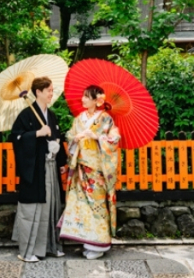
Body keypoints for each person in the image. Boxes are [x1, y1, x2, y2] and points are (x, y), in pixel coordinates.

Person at [59, 85, 120, 260]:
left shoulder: (106, 119)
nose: (83, 100)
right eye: (83, 96)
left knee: (97, 207)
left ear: (96, 100)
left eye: (86, 97)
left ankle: (99, 244)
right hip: (81, 169)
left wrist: (98, 137)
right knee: (83, 206)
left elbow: (114, 139)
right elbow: (70, 136)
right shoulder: (79, 119)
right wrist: (75, 138)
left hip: (97, 171)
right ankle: (88, 242)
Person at [10, 76, 67, 262]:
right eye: (49, 90)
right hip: (34, 169)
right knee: (33, 209)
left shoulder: (51, 116)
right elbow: (16, 138)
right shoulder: (26, 115)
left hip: (50, 167)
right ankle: (27, 251)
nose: (51, 93)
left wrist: (60, 159)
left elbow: (57, 137)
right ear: (38, 92)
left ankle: (51, 246)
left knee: (52, 206)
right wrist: (36, 133)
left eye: (52, 90)